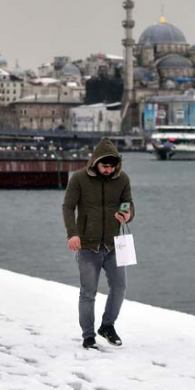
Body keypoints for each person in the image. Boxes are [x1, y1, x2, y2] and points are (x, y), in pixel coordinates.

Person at [62, 138, 134, 350]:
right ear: (95, 162)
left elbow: (129, 205)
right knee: (88, 292)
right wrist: (72, 234)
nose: (109, 170)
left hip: (114, 246)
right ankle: (88, 336)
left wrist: (128, 215)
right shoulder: (79, 179)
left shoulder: (122, 180)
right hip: (87, 246)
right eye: (105, 165)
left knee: (120, 288)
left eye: (112, 166)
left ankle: (107, 326)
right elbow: (68, 208)